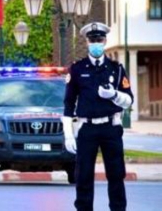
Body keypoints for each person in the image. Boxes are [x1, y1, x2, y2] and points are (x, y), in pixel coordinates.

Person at [63, 22, 133, 211]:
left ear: (105, 41)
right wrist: (68, 134)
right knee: (83, 175)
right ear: (86, 42)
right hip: (87, 128)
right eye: (92, 40)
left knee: (116, 174)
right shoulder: (77, 69)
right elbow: (69, 103)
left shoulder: (116, 68)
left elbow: (129, 100)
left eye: (99, 40)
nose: (96, 43)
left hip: (111, 127)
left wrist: (115, 95)